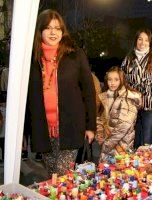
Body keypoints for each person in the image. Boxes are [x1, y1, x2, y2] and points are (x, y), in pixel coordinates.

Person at [25, 9, 96, 176]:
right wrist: (25, 132)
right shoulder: (31, 59)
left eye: (57, 28)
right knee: (52, 174)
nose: (53, 32)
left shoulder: (75, 55)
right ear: (40, 30)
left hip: (70, 127)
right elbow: (25, 100)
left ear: (62, 31)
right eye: (48, 28)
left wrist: (90, 126)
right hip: (42, 129)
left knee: (62, 175)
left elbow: (89, 92)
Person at [121, 28, 152, 149]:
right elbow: (122, 82)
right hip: (132, 105)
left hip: (150, 106)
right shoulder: (128, 59)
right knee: (132, 139)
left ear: (150, 42)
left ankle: (145, 165)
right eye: (140, 39)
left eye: (146, 40)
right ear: (135, 41)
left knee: (147, 141)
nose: (143, 43)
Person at [95, 66, 142, 162]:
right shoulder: (105, 96)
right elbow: (100, 117)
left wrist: (107, 143)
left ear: (122, 80)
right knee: (106, 172)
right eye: (110, 80)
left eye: (116, 80)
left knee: (119, 171)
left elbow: (124, 126)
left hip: (122, 144)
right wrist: (99, 134)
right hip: (108, 142)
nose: (112, 83)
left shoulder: (128, 98)